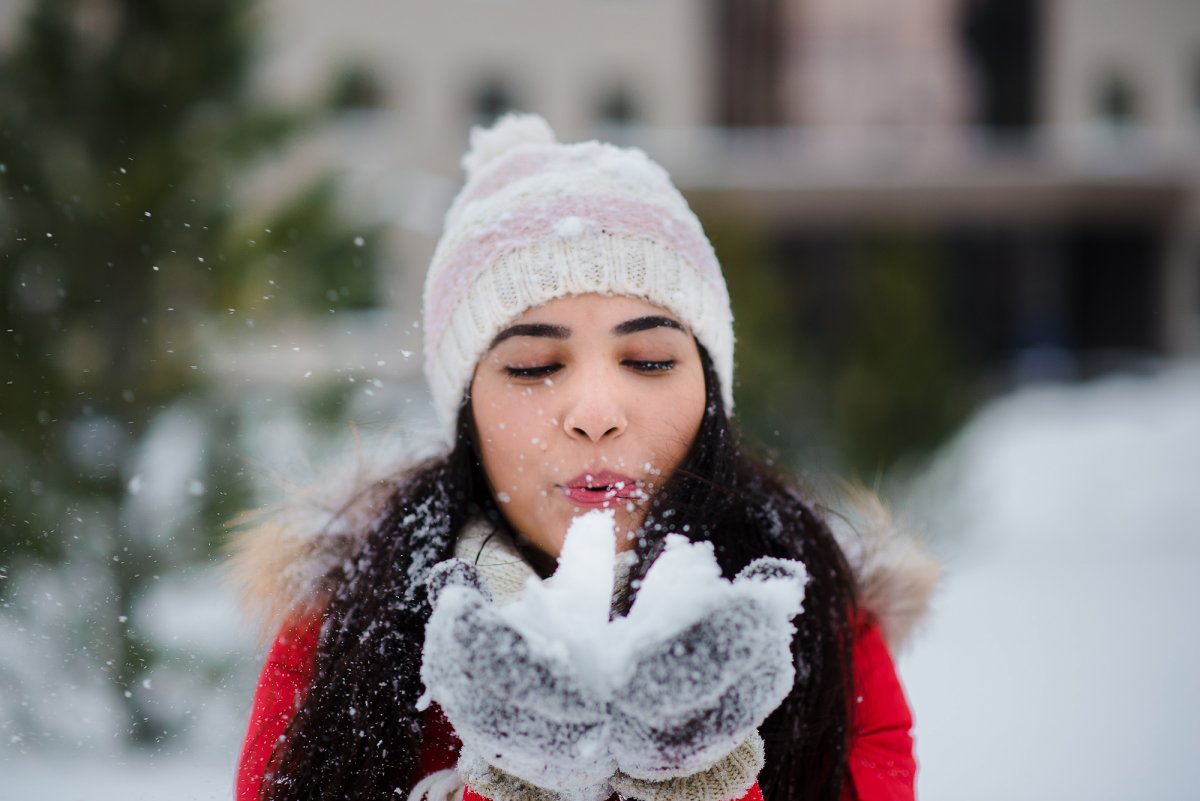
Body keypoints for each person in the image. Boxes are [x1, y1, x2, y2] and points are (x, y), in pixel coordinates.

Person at [231, 113, 937, 801]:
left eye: (651, 360)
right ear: (467, 409)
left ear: (711, 390)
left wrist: (701, 783)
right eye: (536, 364)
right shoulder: (349, 634)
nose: (596, 413)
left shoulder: (814, 625)